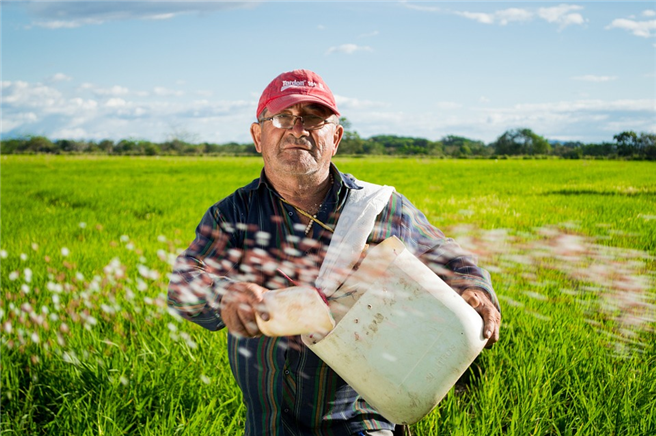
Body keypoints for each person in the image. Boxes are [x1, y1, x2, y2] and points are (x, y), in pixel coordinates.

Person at [168, 69, 501, 436]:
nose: (298, 129)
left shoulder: (376, 207)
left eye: (313, 118)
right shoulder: (234, 214)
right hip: (268, 424)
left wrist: (476, 288)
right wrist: (224, 294)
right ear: (258, 136)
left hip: (362, 421)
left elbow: (443, 252)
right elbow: (183, 283)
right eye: (282, 117)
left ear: (335, 137)